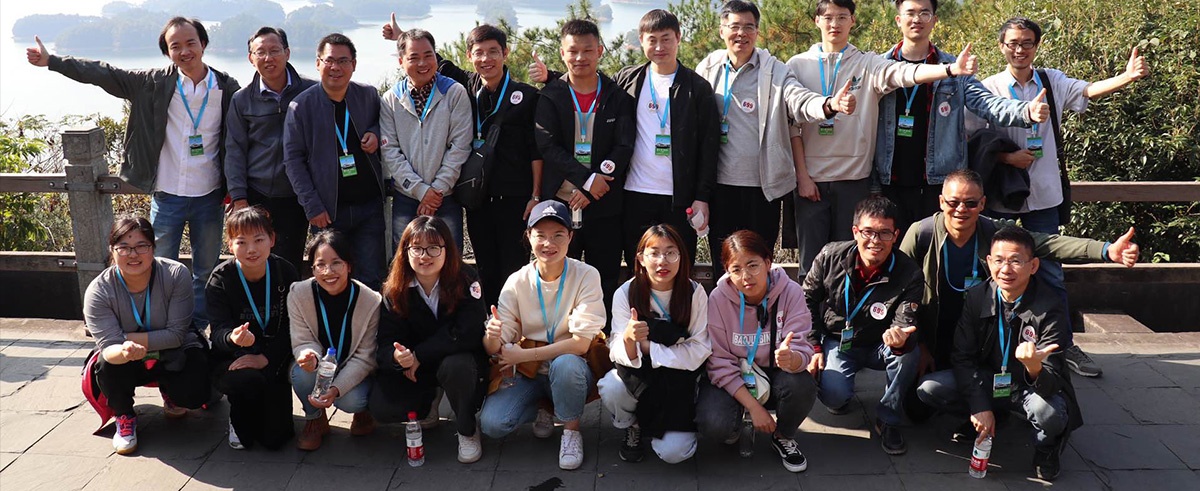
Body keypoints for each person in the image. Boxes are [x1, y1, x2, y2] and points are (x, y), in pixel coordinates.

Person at [28, 17, 240, 332]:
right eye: (175, 46)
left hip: (209, 195)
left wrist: (237, 190)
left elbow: (242, 137)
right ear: (167, 52)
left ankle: (196, 330)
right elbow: (103, 73)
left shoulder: (226, 88)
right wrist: (53, 61)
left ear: (203, 44)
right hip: (167, 194)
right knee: (155, 268)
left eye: (190, 43)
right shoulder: (151, 83)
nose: (184, 51)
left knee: (205, 270)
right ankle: (162, 330)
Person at [966, 17, 1149, 378]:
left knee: (1050, 273)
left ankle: (1062, 345)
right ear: (1001, 46)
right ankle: (995, 343)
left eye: (1027, 43)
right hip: (1002, 196)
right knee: (996, 270)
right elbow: (972, 140)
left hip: (1044, 193)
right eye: (1013, 43)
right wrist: (1006, 158)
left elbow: (1088, 90)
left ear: (1036, 46)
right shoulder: (989, 87)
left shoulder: (1052, 81)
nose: (1020, 50)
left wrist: (1127, 77)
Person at [901, 170, 1139, 420]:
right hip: (933, 331)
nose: (961, 209)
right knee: (918, 409)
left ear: (982, 203)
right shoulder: (922, 233)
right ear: (941, 202)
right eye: (953, 202)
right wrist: (919, 345)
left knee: (973, 381)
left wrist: (1105, 250)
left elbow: (1048, 244)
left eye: (970, 203)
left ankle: (994, 407)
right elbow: (903, 292)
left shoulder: (994, 233)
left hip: (979, 333)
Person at [786, 0, 977, 276]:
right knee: (811, 265)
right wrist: (802, 176)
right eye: (828, 17)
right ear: (817, 21)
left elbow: (906, 72)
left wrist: (948, 70)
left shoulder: (868, 63)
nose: (834, 24)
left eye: (842, 17)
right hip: (811, 182)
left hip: (854, 179)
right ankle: (809, 308)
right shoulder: (797, 65)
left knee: (851, 264)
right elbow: (792, 122)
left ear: (853, 21)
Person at [529, 10, 721, 265]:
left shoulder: (696, 87)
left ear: (678, 38)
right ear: (641, 40)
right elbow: (583, 82)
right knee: (637, 266)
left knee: (677, 265)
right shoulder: (629, 79)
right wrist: (552, 78)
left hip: (679, 197)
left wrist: (702, 195)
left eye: (666, 39)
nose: (659, 47)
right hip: (634, 194)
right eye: (652, 40)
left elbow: (708, 146)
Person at [694, 0, 856, 267]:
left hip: (763, 189)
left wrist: (829, 105)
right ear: (722, 30)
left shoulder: (775, 70)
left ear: (757, 31)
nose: (741, 33)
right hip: (718, 187)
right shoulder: (708, 68)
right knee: (724, 266)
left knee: (759, 264)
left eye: (749, 27)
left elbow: (798, 99)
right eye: (735, 27)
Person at [873, 0, 1047, 233]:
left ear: (934, 20)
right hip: (888, 181)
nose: (917, 19)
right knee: (892, 249)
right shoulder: (879, 67)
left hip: (940, 184)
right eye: (910, 13)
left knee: (937, 249)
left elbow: (987, 104)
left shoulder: (955, 68)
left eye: (924, 13)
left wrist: (1025, 111)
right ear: (898, 20)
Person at [479, 200, 607, 470]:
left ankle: (571, 431)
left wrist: (524, 355)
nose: (549, 243)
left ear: (570, 237)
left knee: (567, 364)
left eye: (558, 235)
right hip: (530, 373)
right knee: (492, 424)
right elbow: (496, 346)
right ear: (529, 236)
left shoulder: (586, 275)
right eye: (541, 235)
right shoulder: (517, 281)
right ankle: (544, 407)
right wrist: (492, 335)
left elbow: (580, 344)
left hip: (570, 367)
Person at [948, 226, 1082, 481]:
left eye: (1016, 261)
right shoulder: (977, 296)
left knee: (1050, 413)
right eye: (999, 260)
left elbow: (1053, 382)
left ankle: (1046, 447)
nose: (1006, 269)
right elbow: (962, 357)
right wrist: (979, 405)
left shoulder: (1051, 306)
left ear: (1033, 266)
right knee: (932, 389)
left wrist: (1034, 367)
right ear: (989, 262)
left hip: (1028, 388)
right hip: (991, 379)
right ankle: (992, 414)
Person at [428, 24, 544, 308]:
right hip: (477, 198)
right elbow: (438, 62)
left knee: (514, 270)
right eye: (479, 53)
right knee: (485, 268)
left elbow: (536, 151)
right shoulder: (468, 88)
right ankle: (491, 325)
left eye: (493, 52)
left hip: (515, 198)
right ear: (470, 56)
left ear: (505, 53)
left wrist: (535, 196)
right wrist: (400, 37)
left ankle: (514, 327)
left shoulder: (527, 96)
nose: (486, 59)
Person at [534, 19, 635, 332]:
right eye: (573, 51)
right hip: (560, 204)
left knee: (604, 276)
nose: (580, 58)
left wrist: (594, 186)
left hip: (605, 203)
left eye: (588, 50)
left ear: (600, 51)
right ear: (562, 53)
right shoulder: (551, 95)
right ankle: (560, 340)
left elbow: (624, 146)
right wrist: (587, 181)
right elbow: (547, 146)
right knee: (558, 277)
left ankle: (602, 343)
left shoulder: (617, 97)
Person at [802, 196, 923, 455]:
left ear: (896, 235)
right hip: (838, 340)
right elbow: (806, 300)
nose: (875, 241)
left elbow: (906, 322)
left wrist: (900, 339)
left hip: (881, 343)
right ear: (855, 231)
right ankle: (841, 389)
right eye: (868, 232)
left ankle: (889, 418)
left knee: (909, 353)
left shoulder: (909, 272)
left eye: (884, 233)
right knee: (834, 397)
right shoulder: (830, 256)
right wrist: (813, 345)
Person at [83, 217, 212, 455]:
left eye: (142, 246)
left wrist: (125, 338)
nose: (133, 254)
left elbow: (176, 335)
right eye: (124, 247)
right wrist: (123, 350)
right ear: (112, 250)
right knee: (106, 363)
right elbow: (109, 347)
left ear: (153, 247)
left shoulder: (175, 274)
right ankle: (124, 416)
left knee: (195, 391)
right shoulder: (99, 291)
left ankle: (171, 393)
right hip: (125, 357)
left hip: (173, 350)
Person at [369, 216, 489, 463]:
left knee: (457, 367)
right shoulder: (394, 287)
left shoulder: (467, 278)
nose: (425, 256)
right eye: (417, 248)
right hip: (416, 368)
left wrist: (420, 355)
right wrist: (397, 357)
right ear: (405, 251)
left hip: (458, 359)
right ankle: (429, 402)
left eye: (433, 248)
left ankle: (467, 429)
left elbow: (468, 332)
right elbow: (386, 341)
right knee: (382, 408)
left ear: (447, 249)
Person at [697, 230, 817, 473]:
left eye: (753, 265)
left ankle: (783, 436)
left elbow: (802, 348)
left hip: (775, 372)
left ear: (768, 263)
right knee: (714, 424)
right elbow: (718, 361)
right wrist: (754, 407)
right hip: (734, 375)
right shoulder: (718, 299)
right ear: (727, 271)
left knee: (802, 384)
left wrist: (792, 359)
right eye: (736, 269)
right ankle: (734, 426)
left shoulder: (791, 292)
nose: (746, 277)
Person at [598, 224, 711, 464]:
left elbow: (700, 349)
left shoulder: (694, 292)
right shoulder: (626, 292)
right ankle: (633, 425)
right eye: (654, 253)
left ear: (681, 256)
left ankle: (680, 420)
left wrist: (649, 347)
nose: (663, 261)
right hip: (640, 376)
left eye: (671, 253)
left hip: (679, 380)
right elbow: (616, 350)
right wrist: (629, 338)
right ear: (641, 258)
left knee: (673, 453)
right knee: (611, 387)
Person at [283, 33, 386, 291]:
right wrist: (312, 206)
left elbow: (384, 124)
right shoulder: (301, 107)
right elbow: (293, 161)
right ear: (318, 63)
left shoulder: (368, 95)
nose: (335, 67)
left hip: (369, 207)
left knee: (371, 279)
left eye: (343, 61)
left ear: (354, 64)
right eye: (329, 60)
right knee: (330, 280)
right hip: (327, 212)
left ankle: (369, 320)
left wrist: (375, 133)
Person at [206, 206, 299, 450]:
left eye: (259, 240)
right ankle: (237, 413)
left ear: (272, 239)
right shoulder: (220, 279)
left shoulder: (285, 272)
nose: (251, 249)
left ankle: (264, 408)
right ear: (230, 245)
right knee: (245, 384)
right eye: (241, 242)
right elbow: (217, 332)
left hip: (274, 356)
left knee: (276, 440)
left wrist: (266, 357)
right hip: (235, 360)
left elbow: (294, 326)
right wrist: (233, 338)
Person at [225, 27, 318, 269]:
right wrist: (239, 198)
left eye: (275, 50)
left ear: (287, 53)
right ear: (251, 58)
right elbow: (234, 151)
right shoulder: (242, 99)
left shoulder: (311, 91)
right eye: (261, 52)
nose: (268, 58)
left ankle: (287, 297)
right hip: (257, 194)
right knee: (253, 262)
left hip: (297, 195)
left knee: (290, 263)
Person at [289, 230, 381, 451]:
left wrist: (336, 389)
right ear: (312, 269)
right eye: (320, 265)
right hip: (321, 367)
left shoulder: (370, 300)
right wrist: (308, 355)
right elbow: (302, 339)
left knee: (351, 400)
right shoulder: (298, 293)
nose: (328, 272)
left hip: (353, 369)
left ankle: (362, 412)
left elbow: (365, 357)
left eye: (336, 263)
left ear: (349, 265)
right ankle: (315, 419)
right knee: (300, 374)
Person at [381, 29, 472, 251]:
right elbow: (390, 150)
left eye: (428, 55)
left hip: (446, 197)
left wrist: (437, 191)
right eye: (414, 57)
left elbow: (460, 146)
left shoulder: (454, 93)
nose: (422, 63)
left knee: (450, 261)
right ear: (401, 61)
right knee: (404, 261)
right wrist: (421, 191)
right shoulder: (391, 99)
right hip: (406, 197)